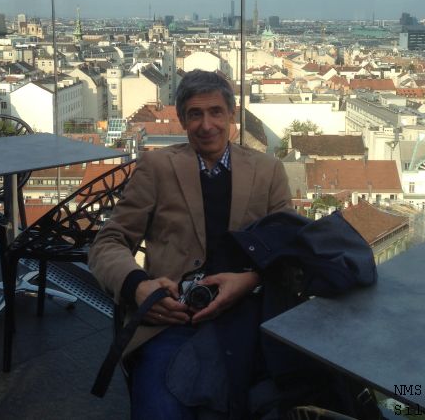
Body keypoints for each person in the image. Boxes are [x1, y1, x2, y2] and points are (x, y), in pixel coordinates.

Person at [89, 69, 292, 420]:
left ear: (231, 115)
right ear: (182, 120)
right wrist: (138, 286)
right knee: (162, 410)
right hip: (172, 318)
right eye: (195, 114)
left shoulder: (268, 170)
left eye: (215, 112)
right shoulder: (157, 167)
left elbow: (288, 244)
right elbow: (108, 242)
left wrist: (249, 280)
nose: (206, 125)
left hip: (248, 315)